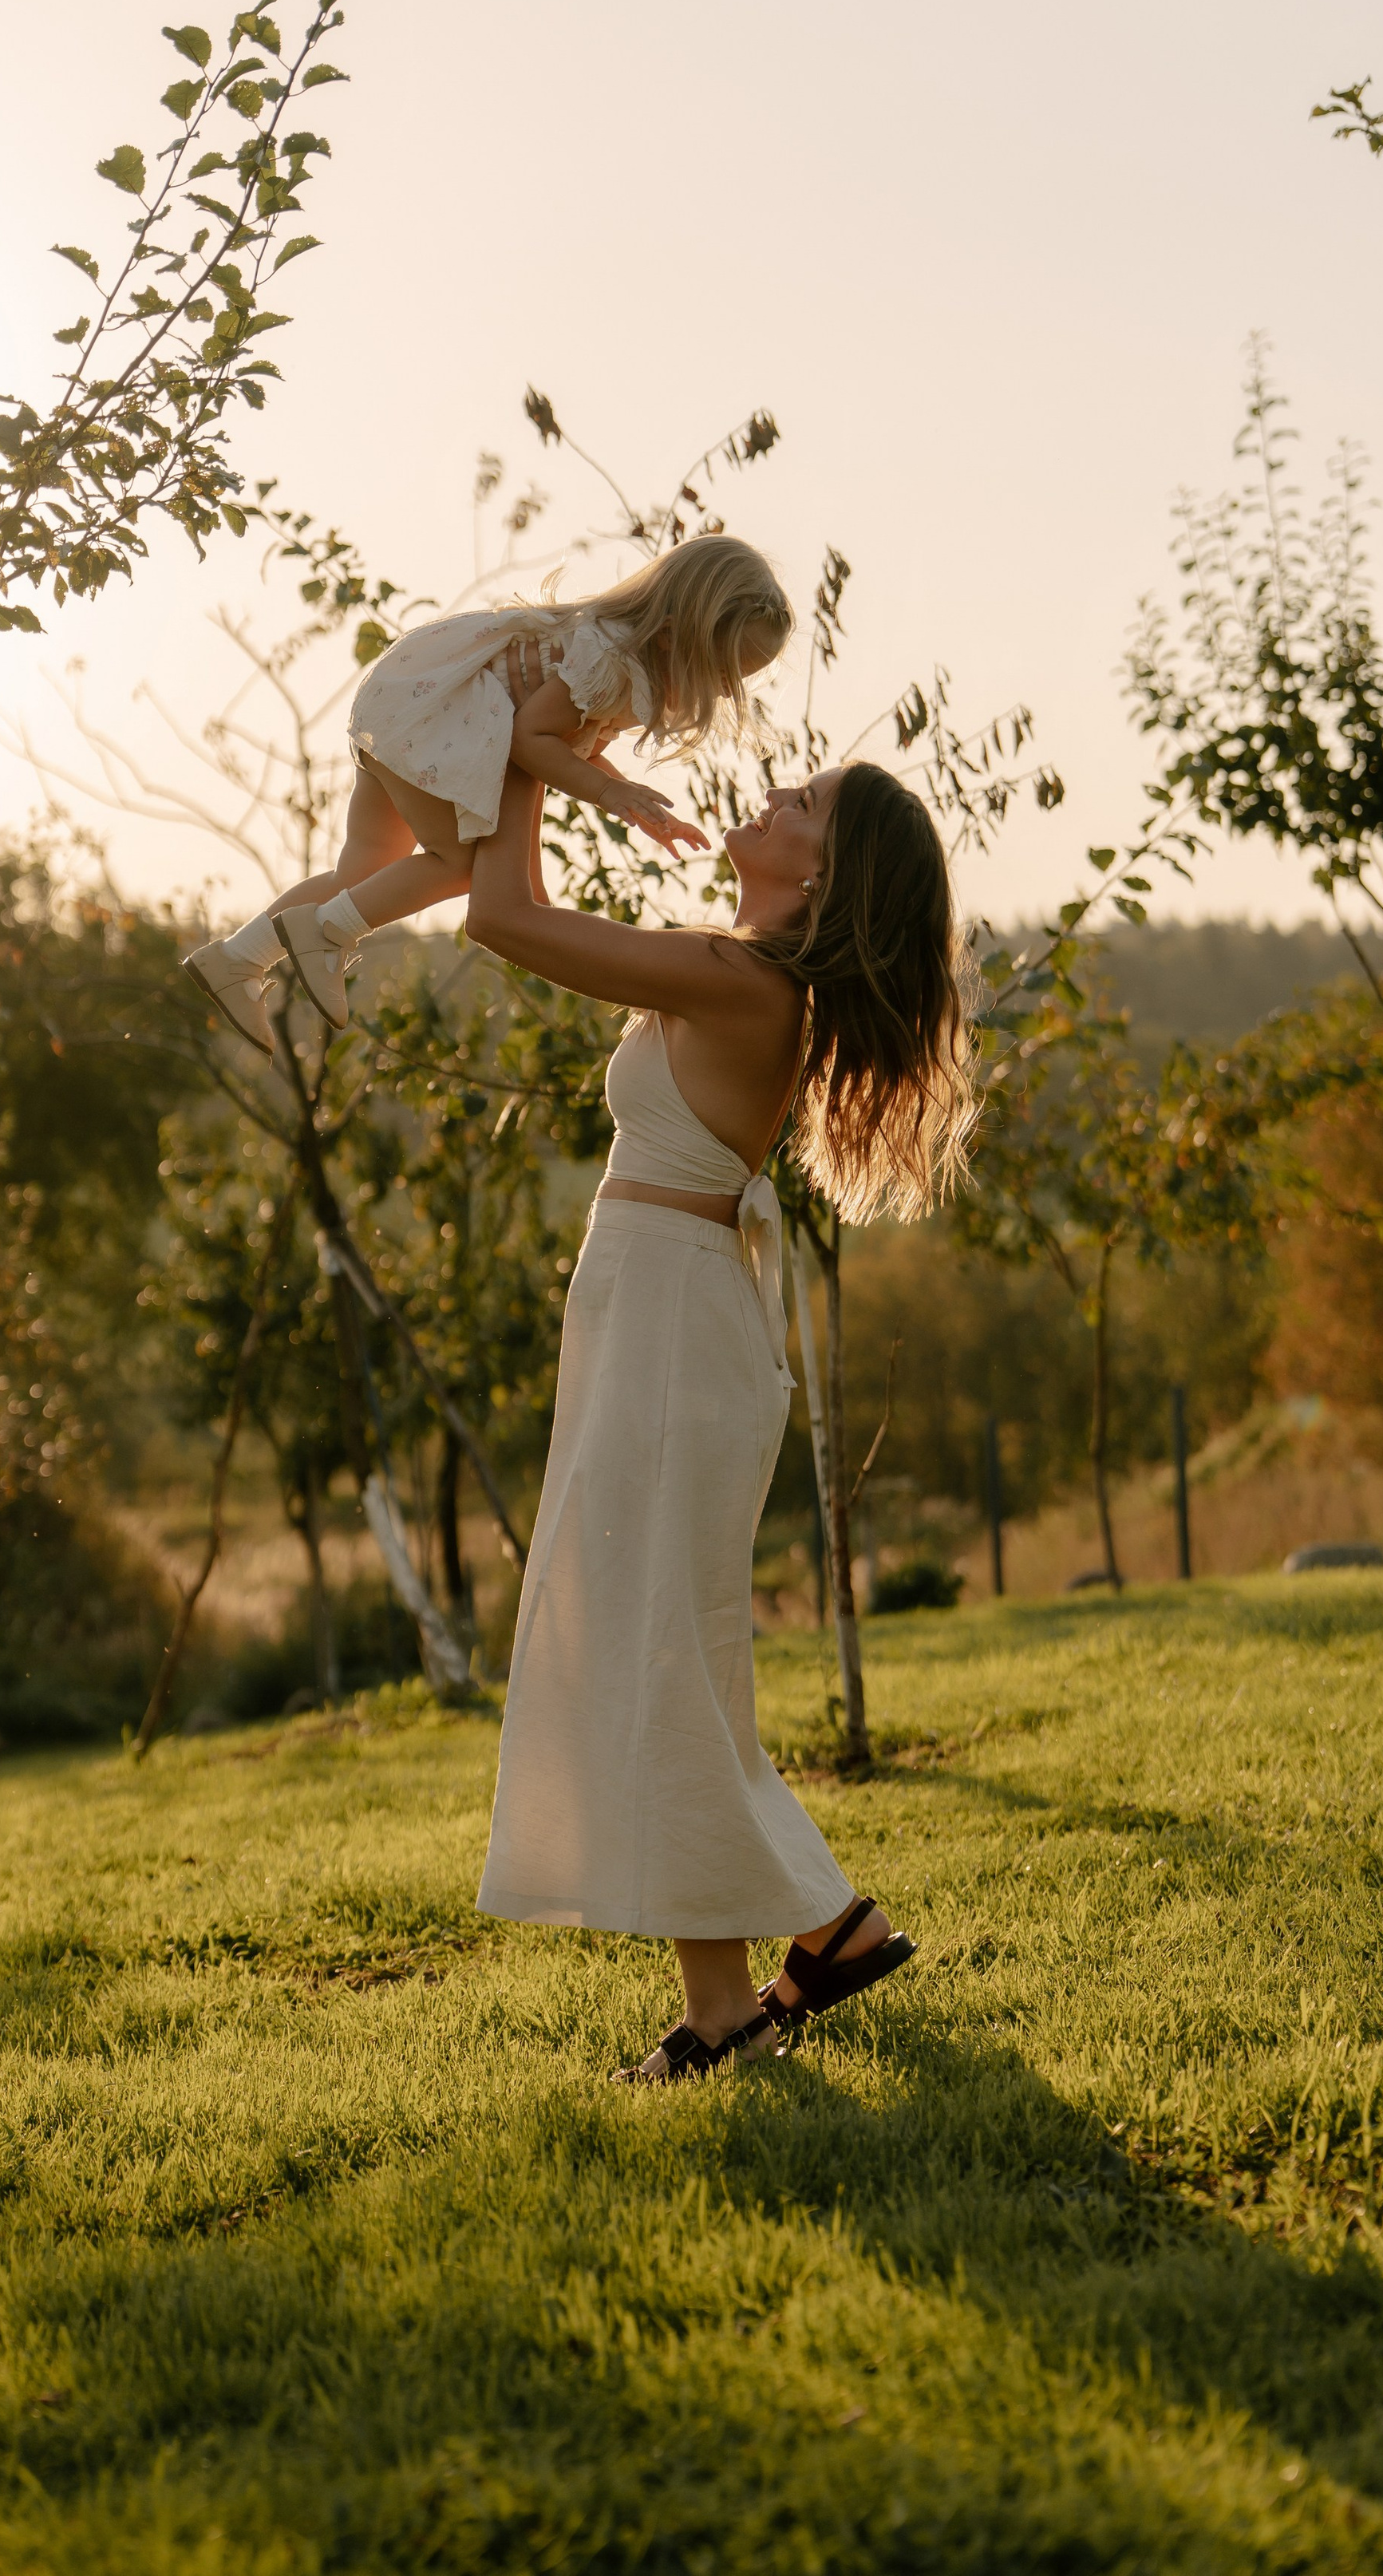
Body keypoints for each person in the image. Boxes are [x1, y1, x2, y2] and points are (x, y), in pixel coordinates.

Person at [466, 710, 976, 2081]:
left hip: (676, 1328)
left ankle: (775, 1969)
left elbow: (502, 916)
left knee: (655, 1653)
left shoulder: (739, 980)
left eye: (802, 801)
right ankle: (773, 1970)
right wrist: (558, 764)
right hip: (658, 1317)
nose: (774, 794)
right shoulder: (733, 968)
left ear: (831, 868)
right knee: (655, 1648)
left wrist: (522, 759)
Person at [182, 535, 793, 1049]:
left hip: (410, 705)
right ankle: (329, 931)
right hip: (440, 720)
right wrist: (609, 797)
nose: (717, 688)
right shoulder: (609, 660)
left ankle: (237, 959)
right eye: (719, 671)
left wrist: (625, 793)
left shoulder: (609, 648)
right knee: (461, 864)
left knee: (366, 870)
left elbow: (568, 738)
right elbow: (532, 741)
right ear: (671, 634)